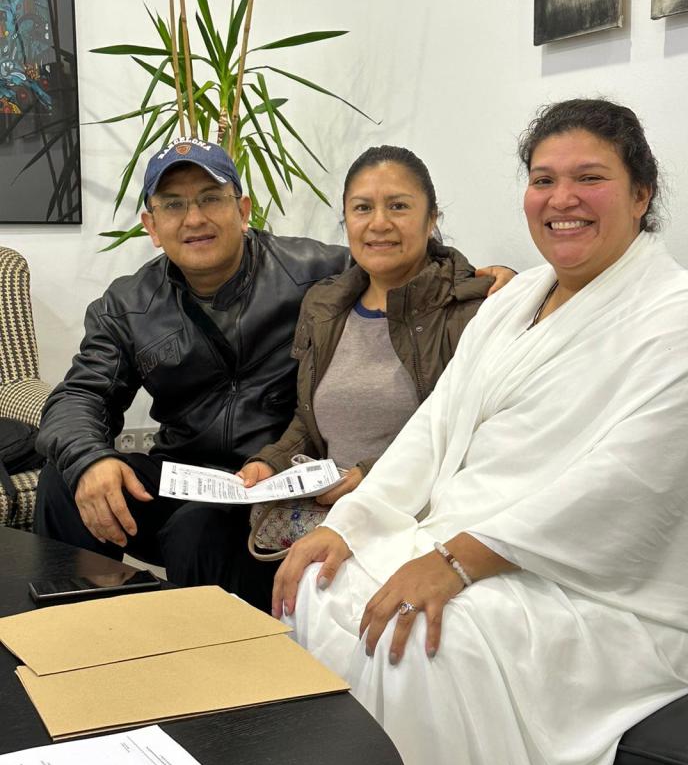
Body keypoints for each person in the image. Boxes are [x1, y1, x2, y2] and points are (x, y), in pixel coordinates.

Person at [271, 99, 688, 765]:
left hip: (625, 587)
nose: (561, 199)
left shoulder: (684, 318)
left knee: (428, 642)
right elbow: (435, 429)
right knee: (318, 585)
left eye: (590, 178)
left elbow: (631, 484)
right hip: (488, 542)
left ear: (642, 194)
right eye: (544, 179)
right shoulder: (513, 302)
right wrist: (354, 523)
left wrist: (462, 560)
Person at [34, 138, 512, 609]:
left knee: (194, 531)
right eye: (174, 205)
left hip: (270, 481)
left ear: (243, 211)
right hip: (186, 474)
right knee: (65, 476)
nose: (194, 218)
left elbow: (394, 255)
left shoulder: (316, 274)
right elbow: (78, 396)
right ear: (151, 225)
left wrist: (489, 280)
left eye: (210, 199)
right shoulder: (128, 304)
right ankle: (78, 628)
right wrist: (90, 461)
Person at [239, 146, 495, 526]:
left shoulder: (470, 309)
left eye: (398, 206)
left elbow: (471, 435)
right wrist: (271, 461)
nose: (379, 223)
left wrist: (372, 475)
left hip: (416, 518)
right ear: (345, 221)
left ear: (431, 220)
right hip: (329, 512)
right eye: (362, 208)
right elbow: (308, 420)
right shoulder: (323, 304)